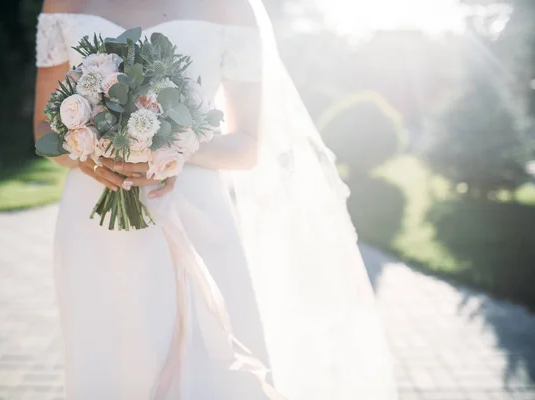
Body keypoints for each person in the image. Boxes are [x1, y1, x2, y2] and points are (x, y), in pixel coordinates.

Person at [33, 0, 398, 398]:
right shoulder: (66, 2)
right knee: (107, 362)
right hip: (94, 225)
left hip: (196, 219)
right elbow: (42, 129)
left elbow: (248, 146)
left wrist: (168, 150)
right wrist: (90, 154)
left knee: (207, 371)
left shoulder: (231, 8)